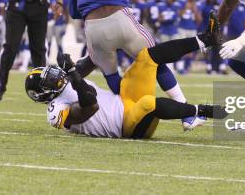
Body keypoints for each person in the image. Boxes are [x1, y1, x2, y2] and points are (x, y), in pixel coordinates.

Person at [67, 0, 195, 130]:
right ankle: (187, 113)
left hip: (93, 29)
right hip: (119, 18)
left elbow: (73, 10)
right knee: (155, 60)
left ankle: (125, 120)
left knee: (114, 81)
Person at [25, 13, 224, 139]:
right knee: (148, 102)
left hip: (125, 98)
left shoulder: (68, 79)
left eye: (51, 73)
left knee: (147, 56)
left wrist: (105, 41)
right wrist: (73, 74)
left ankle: (205, 39)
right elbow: (90, 105)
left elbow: (90, 62)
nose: (54, 76)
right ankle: (202, 111)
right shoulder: (56, 111)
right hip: (126, 126)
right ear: (43, 95)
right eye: (49, 79)